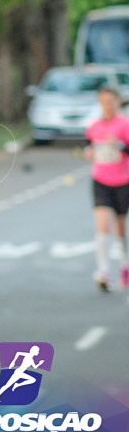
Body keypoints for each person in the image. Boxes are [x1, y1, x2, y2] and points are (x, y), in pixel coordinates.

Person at [83, 85, 129, 291]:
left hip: (123, 181)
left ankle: (124, 265)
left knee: (120, 228)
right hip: (100, 181)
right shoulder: (94, 126)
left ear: (118, 103)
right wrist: (89, 152)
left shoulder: (125, 125)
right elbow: (88, 145)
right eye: (104, 102)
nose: (107, 106)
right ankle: (103, 271)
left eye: (111, 102)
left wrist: (119, 146)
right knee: (103, 226)